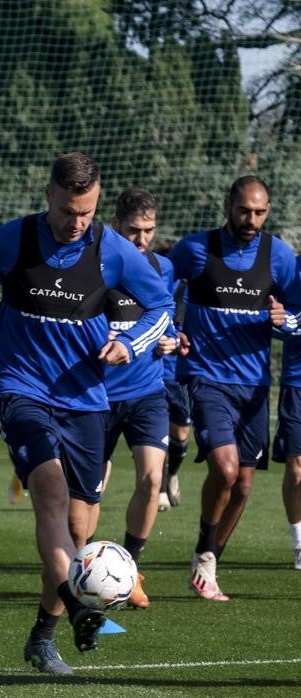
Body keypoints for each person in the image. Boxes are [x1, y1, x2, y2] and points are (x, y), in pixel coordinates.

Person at [0, 153, 172, 675]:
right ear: (49, 197)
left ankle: (43, 635)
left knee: (80, 532)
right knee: (50, 492)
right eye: (68, 211)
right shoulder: (11, 241)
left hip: (85, 400)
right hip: (22, 390)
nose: (76, 222)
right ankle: (83, 604)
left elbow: (161, 309)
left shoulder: (113, 251)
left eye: (86, 212)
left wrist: (130, 343)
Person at [170, 175, 299, 600]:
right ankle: (205, 555)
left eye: (260, 212)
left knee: (243, 484)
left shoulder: (278, 256)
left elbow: (297, 314)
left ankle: (207, 560)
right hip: (207, 378)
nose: (251, 219)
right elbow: (157, 292)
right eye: (244, 210)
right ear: (229, 205)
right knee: (224, 469)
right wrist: (171, 330)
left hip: (255, 385)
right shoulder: (195, 249)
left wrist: (286, 322)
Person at [96, 187, 176, 609]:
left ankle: (132, 571)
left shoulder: (162, 267)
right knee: (91, 490)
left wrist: (168, 341)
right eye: (133, 230)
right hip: (98, 396)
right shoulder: (98, 265)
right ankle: (83, 568)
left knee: (152, 479)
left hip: (147, 392)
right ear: (116, 225)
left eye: (148, 230)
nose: (141, 239)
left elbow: (166, 321)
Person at [156, 238, 190, 512]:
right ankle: (157, 489)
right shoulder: (147, 285)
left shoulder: (188, 289)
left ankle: (172, 474)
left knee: (180, 433)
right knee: (155, 435)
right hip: (153, 373)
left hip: (178, 373)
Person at [275, 265, 301, 570]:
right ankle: (298, 543)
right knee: (296, 471)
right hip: (297, 383)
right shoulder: (290, 268)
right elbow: (274, 321)